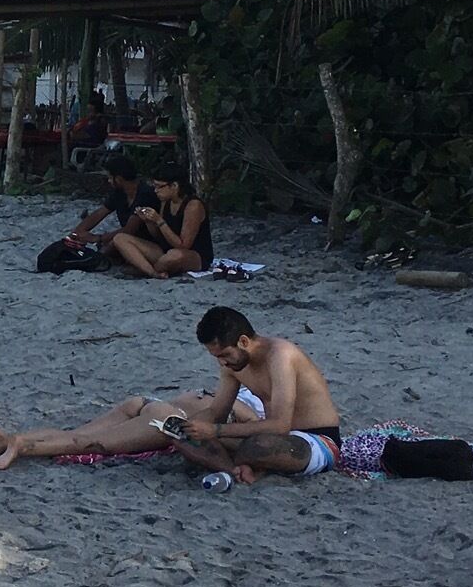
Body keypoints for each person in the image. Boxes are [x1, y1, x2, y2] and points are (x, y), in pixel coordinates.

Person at [170, 306, 345, 485]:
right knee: (183, 439)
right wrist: (187, 426)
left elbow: (280, 425)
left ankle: (239, 465)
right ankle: (234, 471)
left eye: (225, 354)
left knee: (256, 446)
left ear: (244, 341)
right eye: (216, 357)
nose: (222, 362)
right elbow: (217, 412)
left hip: (315, 441)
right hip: (271, 436)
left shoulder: (280, 356)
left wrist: (215, 430)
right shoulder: (232, 366)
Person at [106, 171, 212, 278]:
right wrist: (149, 221)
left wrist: (159, 220)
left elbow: (183, 245)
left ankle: (143, 269)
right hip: (164, 251)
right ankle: (153, 272)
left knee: (174, 255)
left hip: (192, 255)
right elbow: (158, 236)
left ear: (174, 186)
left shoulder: (193, 205)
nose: (156, 191)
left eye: (159, 187)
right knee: (120, 238)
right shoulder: (165, 201)